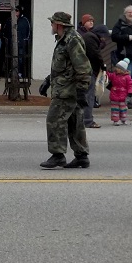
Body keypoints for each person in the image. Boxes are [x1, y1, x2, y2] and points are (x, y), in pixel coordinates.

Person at [38, 12, 91, 169]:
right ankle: (81, 156)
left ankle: (58, 155)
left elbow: (82, 66)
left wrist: (82, 90)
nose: (51, 26)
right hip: (64, 87)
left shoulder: (72, 40)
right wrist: (48, 81)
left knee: (54, 120)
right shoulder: (63, 39)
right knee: (74, 122)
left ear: (59, 25)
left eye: (52, 23)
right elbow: (63, 66)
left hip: (67, 90)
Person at [78, 14, 104, 129]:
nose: (91, 23)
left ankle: (79, 119)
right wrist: (102, 65)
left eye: (92, 21)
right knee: (88, 94)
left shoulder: (93, 35)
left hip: (83, 69)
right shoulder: (84, 35)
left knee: (83, 95)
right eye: (89, 21)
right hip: (87, 69)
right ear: (83, 22)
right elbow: (94, 52)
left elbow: (102, 45)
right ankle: (87, 120)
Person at [107, 59, 132, 126]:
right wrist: (105, 71)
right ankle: (115, 120)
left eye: (118, 68)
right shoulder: (114, 75)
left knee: (123, 109)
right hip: (114, 95)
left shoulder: (127, 77)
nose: (116, 69)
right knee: (114, 109)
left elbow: (130, 85)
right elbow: (109, 76)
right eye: (116, 67)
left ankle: (123, 119)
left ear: (123, 69)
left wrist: (130, 92)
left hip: (123, 96)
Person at [7, 6, 32, 79]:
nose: (15, 12)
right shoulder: (9, 20)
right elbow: (6, 31)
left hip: (21, 44)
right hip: (12, 43)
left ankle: (20, 72)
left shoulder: (25, 20)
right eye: (14, 11)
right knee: (12, 58)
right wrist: (8, 39)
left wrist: (25, 40)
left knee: (20, 59)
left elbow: (29, 31)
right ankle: (12, 72)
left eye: (17, 11)